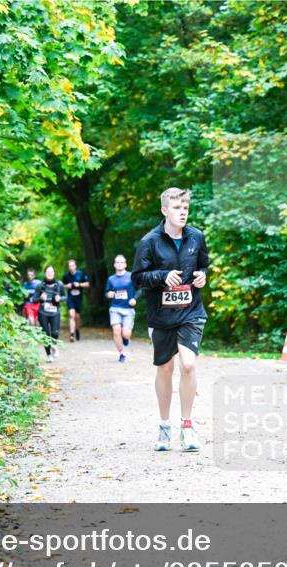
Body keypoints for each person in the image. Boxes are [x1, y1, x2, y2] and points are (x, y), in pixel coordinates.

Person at [131, 187, 208, 452]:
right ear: (165, 210)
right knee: (165, 368)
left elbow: (203, 265)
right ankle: (164, 425)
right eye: (177, 207)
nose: (183, 212)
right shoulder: (149, 242)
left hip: (191, 312)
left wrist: (202, 276)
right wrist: (162, 276)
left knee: (188, 365)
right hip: (161, 314)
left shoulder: (196, 237)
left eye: (185, 207)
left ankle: (188, 425)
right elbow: (138, 278)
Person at [105, 255, 136, 363]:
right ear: (114, 264)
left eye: (121, 262)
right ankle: (121, 353)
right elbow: (107, 292)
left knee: (125, 334)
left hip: (128, 309)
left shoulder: (131, 276)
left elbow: (140, 289)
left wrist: (134, 298)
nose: (119, 264)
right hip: (115, 308)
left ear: (125, 264)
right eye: (117, 262)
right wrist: (109, 294)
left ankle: (126, 338)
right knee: (116, 331)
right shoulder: (111, 279)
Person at [33, 265, 66, 362]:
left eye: (51, 272)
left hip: (55, 312)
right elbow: (34, 299)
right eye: (48, 272)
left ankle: (54, 346)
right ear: (45, 273)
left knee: (55, 333)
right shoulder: (40, 285)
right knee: (46, 333)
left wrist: (59, 298)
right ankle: (49, 356)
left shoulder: (59, 284)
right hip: (43, 312)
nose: (50, 274)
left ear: (54, 273)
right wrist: (40, 298)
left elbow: (65, 297)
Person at [61, 259, 90, 342]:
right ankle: (72, 334)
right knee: (71, 315)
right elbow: (63, 286)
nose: (71, 267)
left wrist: (79, 284)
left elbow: (88, 284)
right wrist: (68, 286)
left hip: (78, 297)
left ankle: (77, 329)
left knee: (77, 316)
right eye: (69, 266)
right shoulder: (66, 276)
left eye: (72, 266)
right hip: (70, 297)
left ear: (75, 266)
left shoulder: (81, 274)